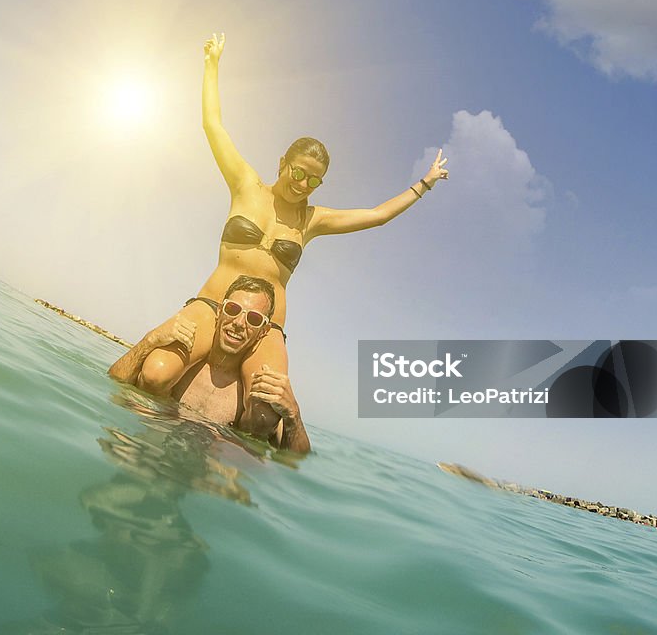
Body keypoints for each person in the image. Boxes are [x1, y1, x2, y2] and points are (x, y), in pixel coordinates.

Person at [137, 33, 450, 437]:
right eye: (298, 172)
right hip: (213, 304)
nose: (303, 184)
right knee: (157, 373)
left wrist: (424, 183)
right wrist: (212, 63)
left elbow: (376, 216)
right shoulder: (245, 186)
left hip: (268, 326)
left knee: (266, 414)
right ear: (283, 163)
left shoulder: (313, 219)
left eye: (314, 180)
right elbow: (212, 125)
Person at [109, 275, 311, 454]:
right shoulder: (183, 369)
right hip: (147, 448)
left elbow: (296, 462)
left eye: (254, 318)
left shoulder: (253, 396)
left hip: (208, 478)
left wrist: (294, 414)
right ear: (219, 312)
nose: (239, 323)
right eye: (233, 309)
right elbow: (113, 381)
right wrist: (149, 341)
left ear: (264, 331)